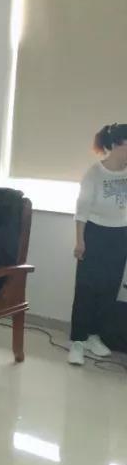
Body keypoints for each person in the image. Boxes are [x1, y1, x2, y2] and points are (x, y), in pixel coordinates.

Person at [68, 123, 127, 366]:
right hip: (94, 234)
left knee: (109, 288)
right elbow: (82, 210)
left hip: (121, 234)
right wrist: (80, 240)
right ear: (117, 144)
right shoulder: (94, 173)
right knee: (87, 288)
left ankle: (94, 335)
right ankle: (77, 341)